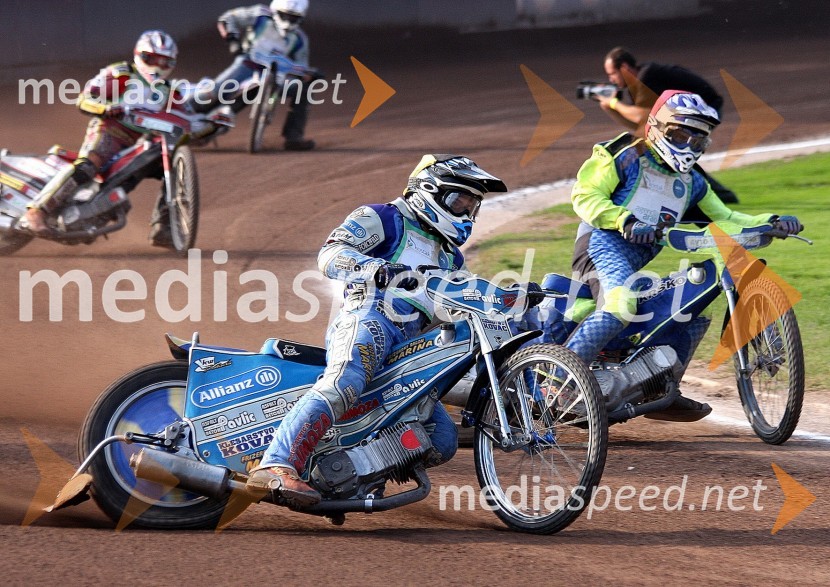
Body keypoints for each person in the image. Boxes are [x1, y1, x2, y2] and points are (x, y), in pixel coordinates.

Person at [245, 154, 508, 506]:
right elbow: (330, 253)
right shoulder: (384, 217)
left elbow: (462, 298)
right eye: (459, 201)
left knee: (442, 437)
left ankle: (349, 476)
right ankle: (276, 465)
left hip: (416, 344)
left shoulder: (452, 258)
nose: (465, 213)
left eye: (472, 207)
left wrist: (512, 296)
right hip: (371, 317)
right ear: (429, 191)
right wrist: (375, 268)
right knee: (345, 382)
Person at [565, 90, 802, 421]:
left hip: (635, 259)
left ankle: (661, 389)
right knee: (621, 306)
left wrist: (772, 222)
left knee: (685, 313)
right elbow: (584, 195)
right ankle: (556, 382)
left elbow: (728, 220)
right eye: (680, 135)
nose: (688, 146)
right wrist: (625, 220)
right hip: (600, 245)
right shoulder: (624, 154)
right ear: (657, 128)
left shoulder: (692, 182)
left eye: (697, 140)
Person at [22, 30, 182, 247]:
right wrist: (106, 107)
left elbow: (186, 118)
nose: (157, 66)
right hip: (110, 131)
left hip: (142, 144)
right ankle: (37, 211)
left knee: (171, 168)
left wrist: (212, 122)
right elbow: (85, 98)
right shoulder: (122, 74)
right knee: (88, 166)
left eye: (165, 62)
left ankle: (164, 228)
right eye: (152, 59)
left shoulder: (170, 91)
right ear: (140, 55)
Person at [595, 46, 739, 204]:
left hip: (706, 111)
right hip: (690, 114)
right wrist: (609, 108)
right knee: (668, 151)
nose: (611, 80)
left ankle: (716, 196)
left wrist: (614, 103)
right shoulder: (636, 84)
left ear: (624, 68)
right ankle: (719, 196)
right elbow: (640, 125)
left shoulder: (647, 76)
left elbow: (641, 115)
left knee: (676, 153)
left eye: (612, 74)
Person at [193, 0, 317, 151]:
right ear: (276, 11)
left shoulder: (300, 39)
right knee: (216, 91)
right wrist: (233, 39)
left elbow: (301, 64)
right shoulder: (260, 14)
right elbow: (228, 18)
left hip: (277, 76)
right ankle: (182, 112)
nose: (288, 21)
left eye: (293, 17)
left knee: (303, 89)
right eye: (285, 15)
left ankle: (294, 138)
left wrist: (307, 75)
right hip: (249, 63)